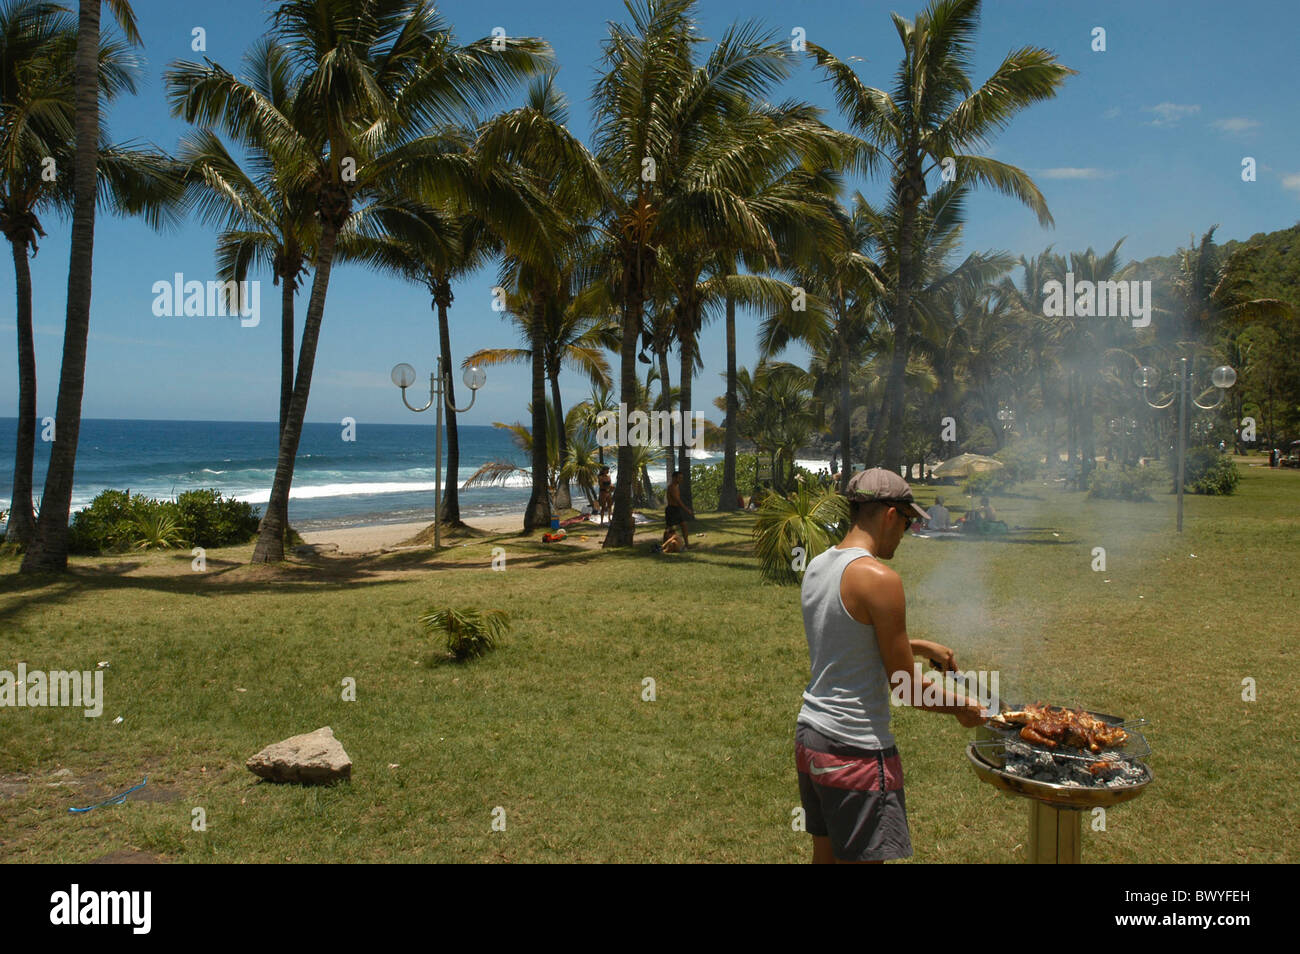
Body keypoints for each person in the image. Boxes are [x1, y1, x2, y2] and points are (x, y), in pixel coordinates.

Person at [795, 468, 984, 864]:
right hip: (856, 752)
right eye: (909, 521)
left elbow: (846, 640)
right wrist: (965, 709)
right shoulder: (881, 578)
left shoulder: (818, 566)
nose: (908, 532)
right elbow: (907, 689)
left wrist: (918, 645)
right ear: (890, 515)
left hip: (813, 740)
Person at [665, 470, 694, 548]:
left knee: (684, 525)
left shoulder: (676, 486)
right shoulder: (671, 487)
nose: (681, 480)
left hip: (676, 509)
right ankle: (665, 545)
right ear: (674, 478)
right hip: (671, 509)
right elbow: (677, 500)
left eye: (682, 478)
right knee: (669, 529)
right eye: (679, 478)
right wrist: (687, 510)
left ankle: (687, 544)